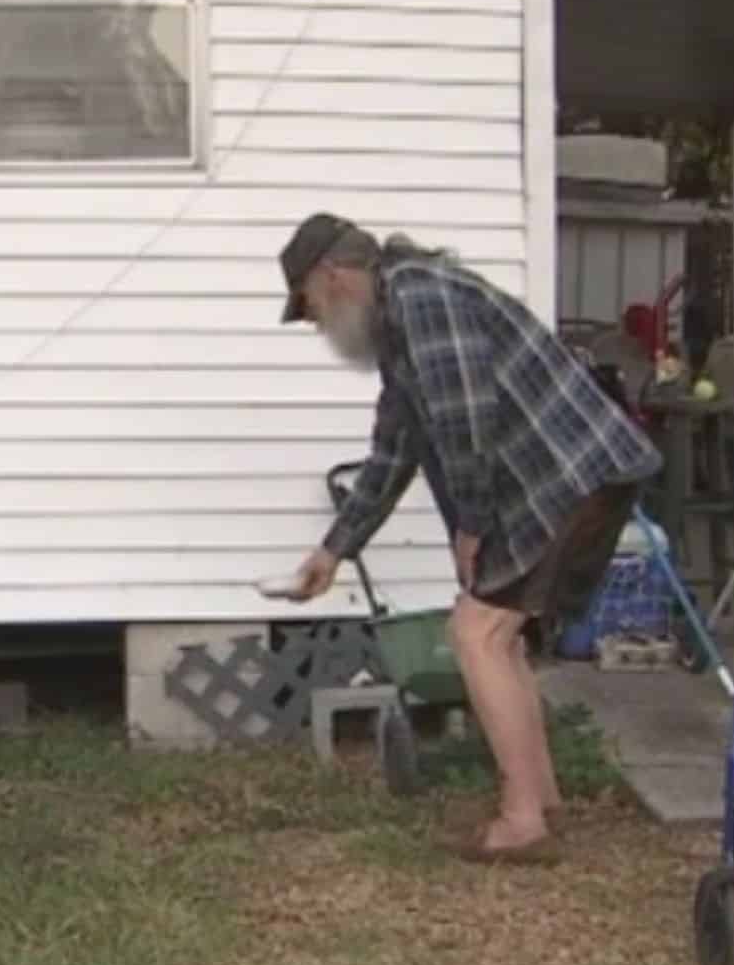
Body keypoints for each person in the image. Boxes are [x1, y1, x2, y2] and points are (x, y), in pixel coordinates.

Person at [273, 213, 663, 864]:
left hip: (569, 475)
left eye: (307, 304)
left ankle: (521, 820)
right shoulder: (400, 322)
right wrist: (334, 550)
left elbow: (466, 417)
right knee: (497, 636)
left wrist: (473, 525)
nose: (313, 322)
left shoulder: (421, 299)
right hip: (571, 477)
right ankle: (540, 799)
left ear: (332, 276)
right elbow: (394, 452)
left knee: (476, 633)